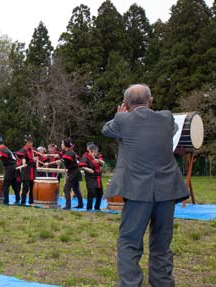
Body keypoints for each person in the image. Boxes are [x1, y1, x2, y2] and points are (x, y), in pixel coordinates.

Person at [102, 84, 189, 287]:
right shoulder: (167, 117)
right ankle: (163, 283)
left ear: (126, 104)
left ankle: (130, 284)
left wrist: (119, 115)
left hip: (137, 190)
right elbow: (173, 130)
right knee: (161, 243)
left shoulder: (122, 120)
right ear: (150, 101)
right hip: (167, 190)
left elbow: (106, 130)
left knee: (130, 242)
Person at [47, 139, 83, 209]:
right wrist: (45, 155)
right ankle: (80, 204)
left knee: (66, 189)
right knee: (76, 189)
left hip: (74, 172)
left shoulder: (69, 153)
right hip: (74, 172)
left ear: (65, 145)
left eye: (62, 144)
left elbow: (60, 161)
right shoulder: (66, 151)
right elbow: (57, 155)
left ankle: (68, 206)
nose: (61, 145)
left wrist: (48, 163)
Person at [79, 143, 105, 210]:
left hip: (98, 177)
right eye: (95, 152)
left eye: (97, 152)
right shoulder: (85, 157)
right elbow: (81, 166)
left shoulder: (97, 156)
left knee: (100, 193)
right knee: (91, 192)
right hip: (90, 177)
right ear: (91, 151)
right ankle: (89, 208)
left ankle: (97, 207)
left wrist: (98, 161)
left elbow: (103, 163)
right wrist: (87, 169)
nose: (96, 153)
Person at [16, 135, 36, 205]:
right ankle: (23, 201)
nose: (31, 144)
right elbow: (23, 158)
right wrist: (24, 163)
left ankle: (31, 202)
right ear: (26, 142)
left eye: (31, 142)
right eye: (29, 142)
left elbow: (36, 157)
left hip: (32, 171)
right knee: (25, 187)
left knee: (32, 187)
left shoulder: (33, 150)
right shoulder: (23, 150)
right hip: (26, 171)